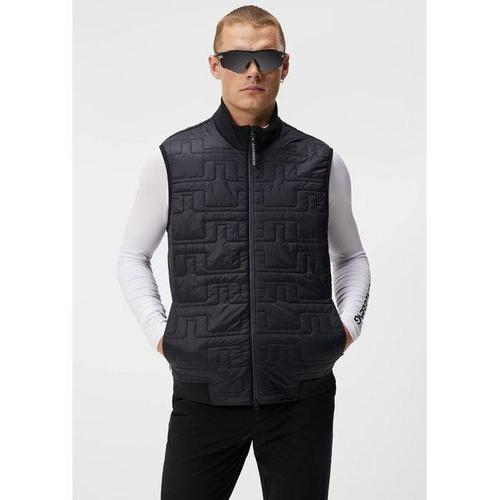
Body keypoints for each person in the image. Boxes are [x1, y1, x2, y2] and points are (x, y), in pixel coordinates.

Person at [117, 5, 371, 499]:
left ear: (285, 66)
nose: (252, 71)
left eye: (266, 58)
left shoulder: (321, 161)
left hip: (302, 394)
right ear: (215, 66)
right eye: (236, 58)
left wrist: (346, 328)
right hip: (204, 394)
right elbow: (132, 255)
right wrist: (163, 335)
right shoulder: (173, 159)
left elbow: (352, 257)